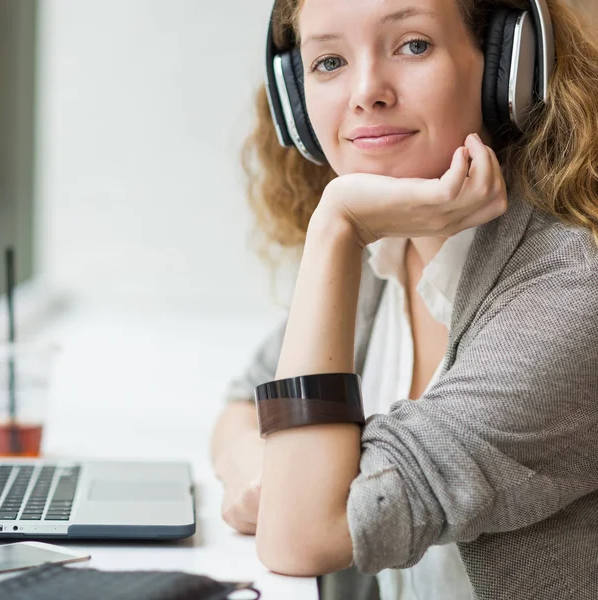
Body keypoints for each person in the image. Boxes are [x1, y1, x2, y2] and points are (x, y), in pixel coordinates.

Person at [210, 0, 598, 598]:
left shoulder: (572, 292)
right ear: (295, 95)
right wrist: (256, 474)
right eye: (329, 60)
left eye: (412, 45)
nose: (366, 92)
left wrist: (335, 223)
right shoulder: (379, 260)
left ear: (508, 69)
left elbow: (303, 537)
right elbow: (243, 403)